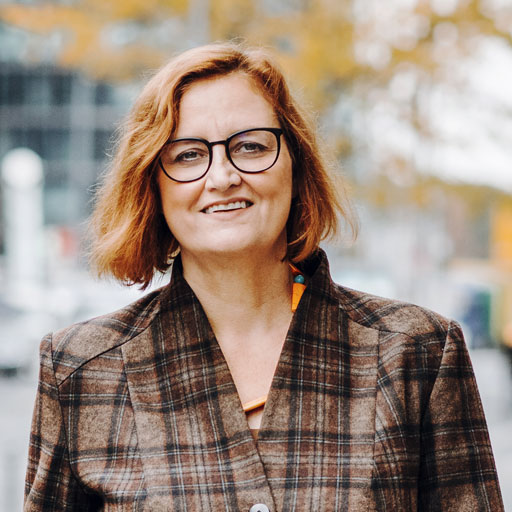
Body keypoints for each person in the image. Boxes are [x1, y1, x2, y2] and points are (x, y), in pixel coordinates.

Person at [24, 42, 504, 511]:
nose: (222, 177)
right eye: (187, 155)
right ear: (152, 184)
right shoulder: (81, 370)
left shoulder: (416, 352)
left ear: (296, 167)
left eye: (250, 146)